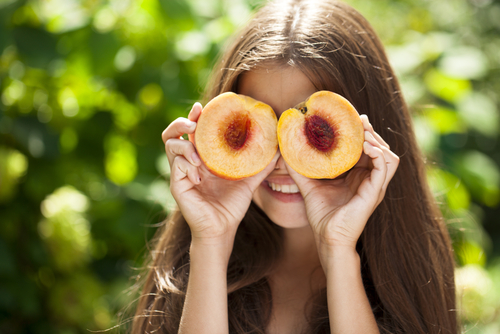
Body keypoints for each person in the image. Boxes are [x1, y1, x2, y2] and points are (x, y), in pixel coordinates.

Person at [131, 0, 457, 333]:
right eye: (268, 125)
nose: (285, 162)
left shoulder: (409, 275)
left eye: (309, 130)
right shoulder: (192, 260)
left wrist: (339, 252)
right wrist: (211, 244)